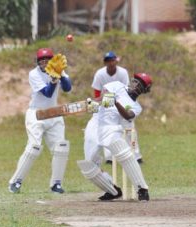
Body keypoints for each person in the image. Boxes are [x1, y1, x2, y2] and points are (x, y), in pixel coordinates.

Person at [77, 73, 152, 201]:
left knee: (125, 154)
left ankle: (142, 188)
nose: (136, 85)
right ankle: (112, 190)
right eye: (135, 81)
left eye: (140, 85)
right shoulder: (117, 85)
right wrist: (91, 104)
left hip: (112, 127)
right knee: (89, 166)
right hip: (94, 124)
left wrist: (116, 102)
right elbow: (104, 100)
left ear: (144, 90)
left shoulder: (136, 106)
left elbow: (128, 116)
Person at [9, 48, 72, 194]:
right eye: (42, 60)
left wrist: (61, 74)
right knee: (34, 147)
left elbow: (68, 88)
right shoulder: (34, 74)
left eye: (47, 60)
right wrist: (54, 77)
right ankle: (15, 181)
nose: (44, 63)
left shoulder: (57, 69)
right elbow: (47, 93)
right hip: (36, 113)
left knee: (61, 147)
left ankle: (56, 184)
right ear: (38, 62)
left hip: (54, 113)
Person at [92, 51, 144, 165]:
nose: (111, 63)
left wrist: (116, 101)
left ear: (116, 61)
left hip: (121, 101)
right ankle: (110, 158)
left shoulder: (122, 72)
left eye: (113, 60)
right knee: (107, 128)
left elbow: (126, 90)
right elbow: (98, 92)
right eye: (108, 61)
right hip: (106, 100)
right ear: (105, 63)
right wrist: (97, 105)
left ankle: (136, 156)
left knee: (129, 127)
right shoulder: (100, 74)